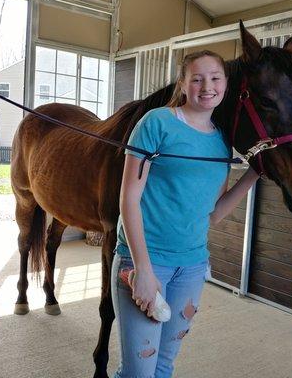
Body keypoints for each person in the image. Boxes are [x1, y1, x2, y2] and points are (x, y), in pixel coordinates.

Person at [111, 50, 259, 378]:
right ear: (183, 83)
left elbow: (213, 215)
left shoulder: (222, 143)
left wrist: (253, 174)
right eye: (197, 78)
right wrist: (144, 271)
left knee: (163, 366)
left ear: (226, 84)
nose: (207, 86)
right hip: (145, 263)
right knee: (138, 371)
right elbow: (128, 200)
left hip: (191, 268)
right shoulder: (156, 123)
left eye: (215, 78)